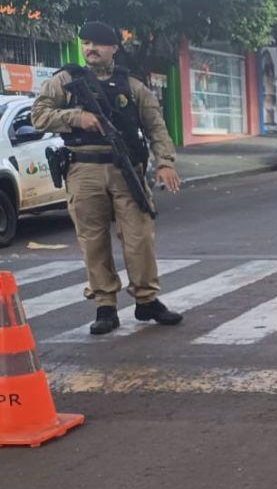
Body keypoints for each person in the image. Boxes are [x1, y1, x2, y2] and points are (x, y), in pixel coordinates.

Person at [31, 22, 184, 335]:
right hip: (83, 169)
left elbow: (156, 127)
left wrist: (165, 163)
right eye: (86, 43)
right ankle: (105, 306)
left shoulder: (132, 85)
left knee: (139, 236)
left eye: (98, 44)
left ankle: (146, 300)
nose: (90, 49)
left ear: (114, 47)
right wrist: (76, 117)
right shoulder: (66, 80)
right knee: (93, 240)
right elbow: (39, 115)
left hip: (125, 167)